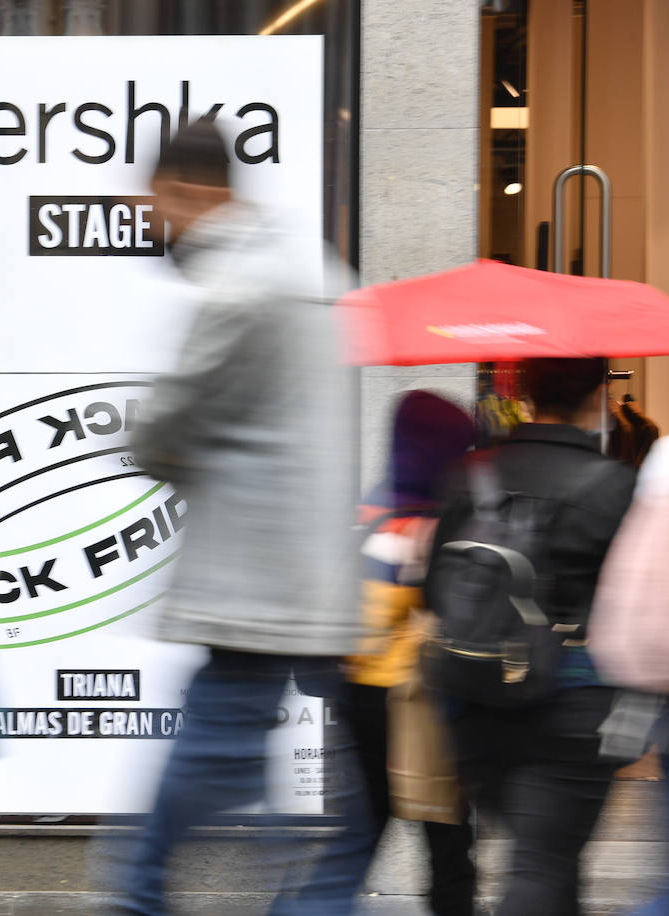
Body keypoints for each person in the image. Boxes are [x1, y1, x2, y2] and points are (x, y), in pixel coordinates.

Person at [117, 118, 370, 915]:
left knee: (205, 773)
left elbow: (163, 431)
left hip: (251, 588)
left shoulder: (236, 288)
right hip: (316, 579)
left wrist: (168, 449)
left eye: (154, 205)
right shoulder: (317, 271)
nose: (151, 225)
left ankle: (134, 899)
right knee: (344, 816)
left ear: (186, 191)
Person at [425, 358, 636, 915]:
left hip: (473, 695)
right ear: (600, 395)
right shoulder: (614, 486)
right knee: (542, 862)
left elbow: (435, 589)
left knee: (545, 856)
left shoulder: (470, 474)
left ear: (523, 390)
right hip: (573, 705)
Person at [341, 390, 477, 915]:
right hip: (409, 701)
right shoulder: (414, 519)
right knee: (446, 838)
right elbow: (374, 618)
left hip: (366, 698)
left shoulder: (376, 505)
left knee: (364, 837)